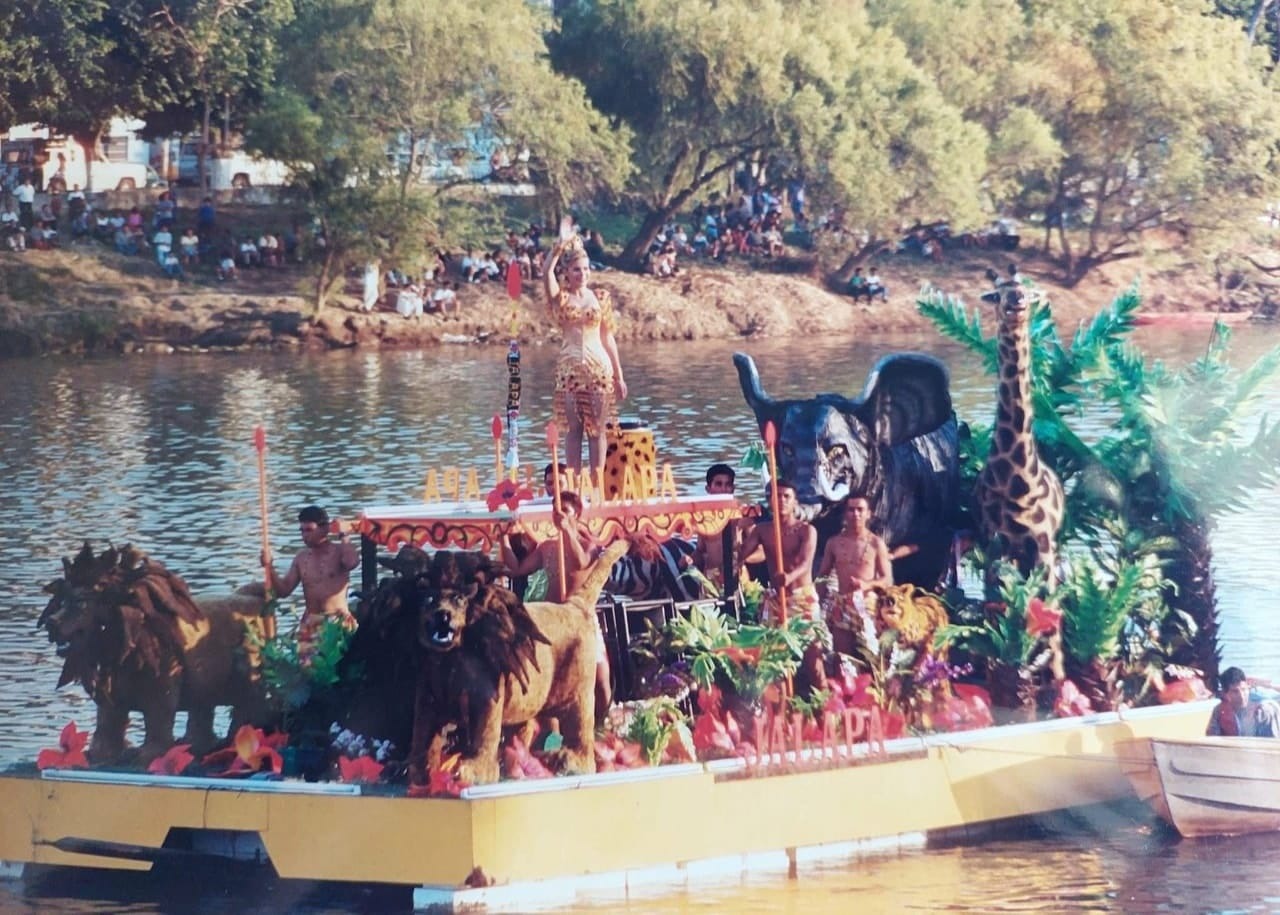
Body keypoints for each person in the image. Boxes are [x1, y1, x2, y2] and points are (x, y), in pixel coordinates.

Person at [500, 491, 611, 713]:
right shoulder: (546, 547)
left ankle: (603, 720)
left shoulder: (590, 546)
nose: (557, 514)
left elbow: (580, 562)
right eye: (554, 510)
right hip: (553, 617)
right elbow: (517, 569)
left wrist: (567, 530)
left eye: (564, 511)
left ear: (576, 515)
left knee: (600, 677)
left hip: (581, 616)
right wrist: (502, 538)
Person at [544, 233, 627, 475]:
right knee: (574, 430)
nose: (583, 274)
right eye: (577, 270)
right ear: (567, 272)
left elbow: (607, 337)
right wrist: (558, 247)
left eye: (586, 269)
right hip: (570, 370)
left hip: (599, 368)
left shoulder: (600, 297)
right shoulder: (561, 298)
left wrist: (619, 375)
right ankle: (573, 485)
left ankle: (597, 485)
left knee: (597, 430)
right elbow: (546, 272)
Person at [262, 505, 359, 661]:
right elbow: (284, 591)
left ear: (324, 529)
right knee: (308, 672)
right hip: (311, 623)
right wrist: (269, 567)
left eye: (309, 530)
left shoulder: (339, 551)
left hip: (337, 620)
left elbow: (352, 562)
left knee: (339, 670)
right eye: (301, 531)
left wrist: (344, 535)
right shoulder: (301, 558)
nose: (304, 535)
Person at [816, 496, 894, 653]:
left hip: (867, 605)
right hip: (842, 603)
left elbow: (887, 579)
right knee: (842, 658)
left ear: (869, 514)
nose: (855, 514)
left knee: (872, 656)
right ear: (845, 514)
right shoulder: (834, 543)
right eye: (851, 510)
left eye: (860, 510)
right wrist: (818, 605)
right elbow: (822, 576)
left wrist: (867, 584)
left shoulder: (876, 543)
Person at [737, 479, 819, 623]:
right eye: (777, 496)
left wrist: (789, 577)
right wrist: (737, 529)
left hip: (801, 596)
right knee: (772, 643)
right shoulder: (762, 531)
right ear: (770, 501)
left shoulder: (806, 531)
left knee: (812, 644)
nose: (782, 500)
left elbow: (805, 563)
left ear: (795, 502)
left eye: (787, 496)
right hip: (776, 598)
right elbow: (740, 555)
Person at [692, 463, 757, 591]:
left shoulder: (743, 515)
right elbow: (700, 551)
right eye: (718, 484)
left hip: (738, 579)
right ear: (708, 488)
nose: (724, 489)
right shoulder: (703, 517)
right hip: (710, 581)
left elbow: (761, 551)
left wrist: (740, 560)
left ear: (733, 488)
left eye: (728, 484)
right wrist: (690, 559)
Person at [1206, 667, 1280, 737]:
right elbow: (1212, 739)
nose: (1241, 696)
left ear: (1248, 688)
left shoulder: (1263, 711)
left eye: (1244, 689)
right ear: (1225, 694)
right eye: (1235, 691)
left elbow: (1270, 744)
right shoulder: (1219, 711)